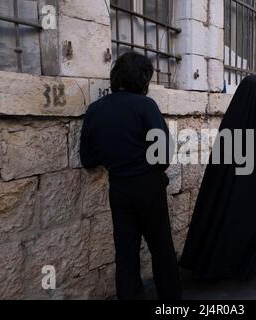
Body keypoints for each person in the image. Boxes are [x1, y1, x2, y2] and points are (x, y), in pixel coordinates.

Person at [179, 76, 256, 292]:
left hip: (236, 190)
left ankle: (217, 267)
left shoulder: (237, 117)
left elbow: (222, 160)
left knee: (228, 224)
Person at [80, 52, 181, 300]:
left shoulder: (95, 110)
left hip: (119, 189)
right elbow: (163, 154)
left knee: (125, 254)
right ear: (142, 79)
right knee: (162, 250)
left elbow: (88, 159)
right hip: (148, 188)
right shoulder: (146, 106)